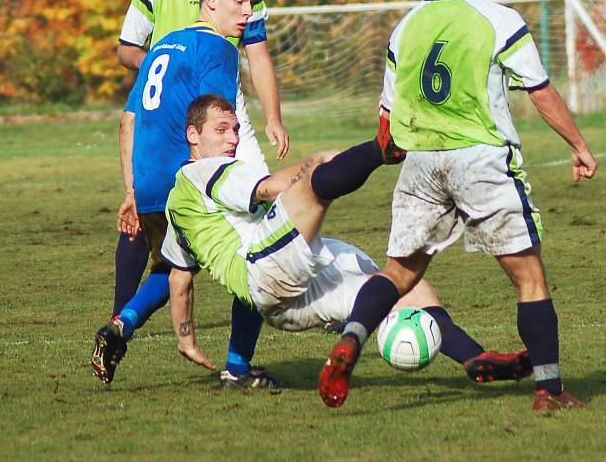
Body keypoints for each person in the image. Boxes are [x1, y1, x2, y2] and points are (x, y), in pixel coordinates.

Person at [319, 0, 598, 411]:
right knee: (529, 277)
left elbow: (386, 122)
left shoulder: (404, 29)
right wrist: (579, 144)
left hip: (421, 162)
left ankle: (352, 340)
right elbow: (541, 91)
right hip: (480, 161)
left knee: (399, 273)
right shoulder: (499, 19)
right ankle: (550, 391)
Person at [146, 93, 532, 388]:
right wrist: (326, 161)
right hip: (263, 269)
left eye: (234, 129)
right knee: (314, 186)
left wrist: (187, 340)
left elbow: (179, 281)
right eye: (221, 130)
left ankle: (475, 359)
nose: (232, 138)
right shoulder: (210, 171)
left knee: (409, 289)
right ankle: (385, 146)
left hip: (283, 307)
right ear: (193, 135)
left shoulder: (177, 206)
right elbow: (271, 187)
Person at [91, 0, 277, 388]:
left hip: (150, 180)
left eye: (250, 2)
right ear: (210, 2)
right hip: (186, 178)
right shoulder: (218, 47)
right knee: (256, 253)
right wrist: (234, 180)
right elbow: (216, 123)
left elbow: (128, 120)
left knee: (174, 262)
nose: (248, 12)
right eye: (239, 2)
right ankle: (238, 367)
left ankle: (119, 326)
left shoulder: (161, 47)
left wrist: (132, 189)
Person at [111, 0, 289, 319]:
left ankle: (267, 293)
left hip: (226, 112)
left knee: (257, 207)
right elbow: (125, 49)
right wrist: (162, 64)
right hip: (168, 110)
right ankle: (121, 314)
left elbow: (259, 56)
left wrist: (274, 118)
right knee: (146, 210)